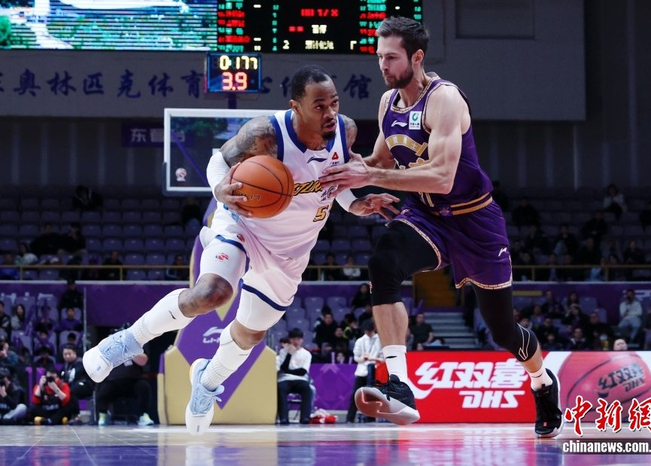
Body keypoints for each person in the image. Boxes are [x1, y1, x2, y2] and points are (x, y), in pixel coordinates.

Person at [82, 65, 399, 436]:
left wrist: (355, 204)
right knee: (211, 293)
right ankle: (125, 341)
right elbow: (219, 159)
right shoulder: (266, 133)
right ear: (295, 106)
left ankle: (206, 381)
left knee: (250, 335)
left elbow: (335, 180)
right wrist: (220, 189)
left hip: (291, 251)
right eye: (319, 106)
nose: (329, 113)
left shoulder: (345, 131)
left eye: (334, 103)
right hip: (244, 226)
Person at [319, 16, 562, 436]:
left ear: (416, 57)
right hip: (427, 217)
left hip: (474, 220)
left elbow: (442, 177)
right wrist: (337, 172)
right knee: (383, 262)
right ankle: (400, 383)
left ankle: (541, 381)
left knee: (502, 330)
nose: (383, 65)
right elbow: (379, 161)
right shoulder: (388, 103)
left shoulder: (444, 99)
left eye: (391, 57)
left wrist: (370, 175)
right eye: (379, 57)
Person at [95, 351, 154, 427]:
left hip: (133, 381)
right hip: (113, 383)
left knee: (144, 386)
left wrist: (129, 350)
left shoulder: (135, 347)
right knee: (103, 389)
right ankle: (103, 415)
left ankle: (144, 415)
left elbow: (143, 361)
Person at [347, 320, 383, 423]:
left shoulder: (380, 340)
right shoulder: (360, 341)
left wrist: (373, 359)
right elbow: (356, 358)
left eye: (370, 331)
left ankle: (371, 418)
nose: (369, 333)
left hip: (376, 371)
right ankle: (349, 418)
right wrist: (363, 358)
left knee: (372, 396)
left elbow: (383, 358)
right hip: (362, 371)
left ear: (374, 329)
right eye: (367, 331)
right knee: (355, 395)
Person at [276, 328, 313, 425]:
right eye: (293, 339)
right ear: (290, 339)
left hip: (300, 379)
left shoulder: (306, 354)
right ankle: (283, 418)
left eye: (298, 339)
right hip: (285, 379)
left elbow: (302, 372)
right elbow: (283, 368)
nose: (296, 342)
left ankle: (305, 417)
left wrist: (288, 371)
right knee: (280, 388)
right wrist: (289, 354)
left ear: (302, 340)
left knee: (307, 389)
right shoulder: (283, 352)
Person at [59, 344, 94, 425]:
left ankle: (76, 415)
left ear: (75, 353)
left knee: (71, 392)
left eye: (69, 354)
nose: (67, 356)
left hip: (85, 386)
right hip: (72, 386)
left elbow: (74, 376)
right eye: (65, 354)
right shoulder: (65, 366)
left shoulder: (81, 363)